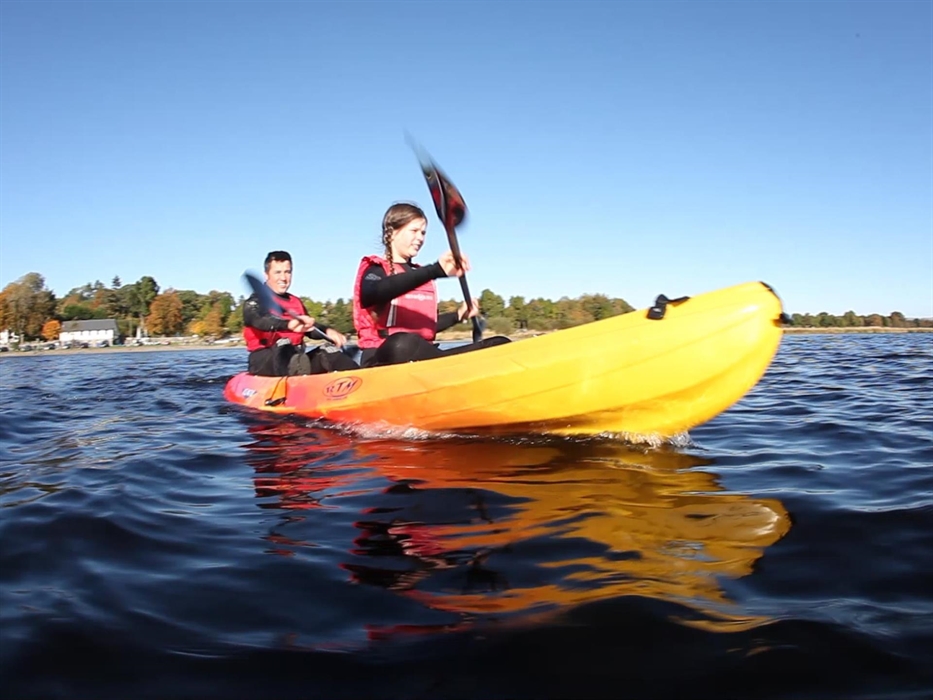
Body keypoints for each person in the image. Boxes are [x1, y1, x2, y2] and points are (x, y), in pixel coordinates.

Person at [352, 203, 510, 367]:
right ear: (392, 232)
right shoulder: (375, 269)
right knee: (401, 343)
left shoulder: (419, 274)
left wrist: (458, 315)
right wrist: (435, 270)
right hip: (383, 357)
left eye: (423, 233)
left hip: (424, 358)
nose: (420, 238)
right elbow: (372, 293)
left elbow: (425, 326)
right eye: (414, 231)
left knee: (499, 344)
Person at [243, 250, 359, 376]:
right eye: (277, 272)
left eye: (287, 272)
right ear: (266, 275)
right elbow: (258, 320)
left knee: (328, 350)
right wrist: (287, 324)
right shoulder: (255, 301)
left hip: (297, 360)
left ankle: (363, 380)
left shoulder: (296, 302)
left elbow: (309, 329)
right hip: (265, 361)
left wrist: (327, 331)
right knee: (284, 344)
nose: (283, 278)